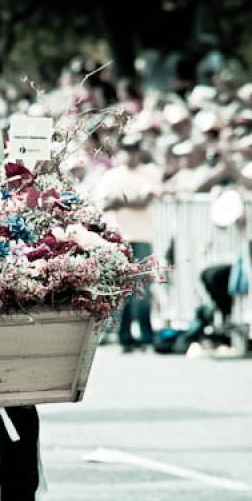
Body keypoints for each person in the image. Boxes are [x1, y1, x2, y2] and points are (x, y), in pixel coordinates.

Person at [94, 135, 162, 351]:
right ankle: (124, 336)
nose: (131, 154)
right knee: (124, 289)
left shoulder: (149, 172)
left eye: (134, 149)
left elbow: (145, 200)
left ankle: (145, 334)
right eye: (128, 149)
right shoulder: (112, 175)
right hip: (120, 237)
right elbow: (104, 202)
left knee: (142, 288)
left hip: (142, 236)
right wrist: (127, 200)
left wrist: (121, 200)